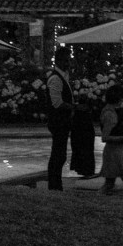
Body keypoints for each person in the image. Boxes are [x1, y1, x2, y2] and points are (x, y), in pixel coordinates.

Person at [97, 84, 123, 195]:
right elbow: (105, 137)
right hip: (115, 152)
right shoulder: (110, 114)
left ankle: (101, 197)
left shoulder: (110, 110)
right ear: (119, 98)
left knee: (110, 183)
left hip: (116, 150)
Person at [46, 47, 76, 190]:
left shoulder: (62, 76)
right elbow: (57, 103)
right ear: (58, 60)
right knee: (58, 154)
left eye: (69, 60)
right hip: (58, 121)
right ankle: (54, 185)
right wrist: (75, 107)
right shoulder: (56, 78)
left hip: (61, 121)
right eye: (66, 60)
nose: (68, 63)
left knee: (60, 154)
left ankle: (56, 184)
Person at [69, 80, 96, 177]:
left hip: (81, 130)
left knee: (83, 149)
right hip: (83, 130)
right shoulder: (81, 111)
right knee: (85, 149)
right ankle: (85, 169)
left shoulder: (78, 111)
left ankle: (84, 169)